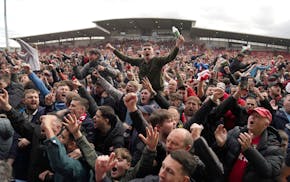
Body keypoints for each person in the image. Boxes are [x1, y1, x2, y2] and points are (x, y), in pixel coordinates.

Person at [214, 107, 284, 181]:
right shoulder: (236, 132)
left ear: (266, 124)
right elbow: (218, 158)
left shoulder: (273, 146)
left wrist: (249, 150)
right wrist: (220, 145)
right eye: (251, 115)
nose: (252, 117)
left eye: (257, 116)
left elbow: (269, 172)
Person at [106, 35, 185, 92]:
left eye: (149, 49)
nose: (147, 50)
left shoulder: (158, 60)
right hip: (144, 90)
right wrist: (112, 49)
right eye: (145, 49)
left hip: (158, 91)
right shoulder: (139, 61)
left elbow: (170, 57)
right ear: (142, 52)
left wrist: (177, 45)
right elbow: (125, 58)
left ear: (152, 51)